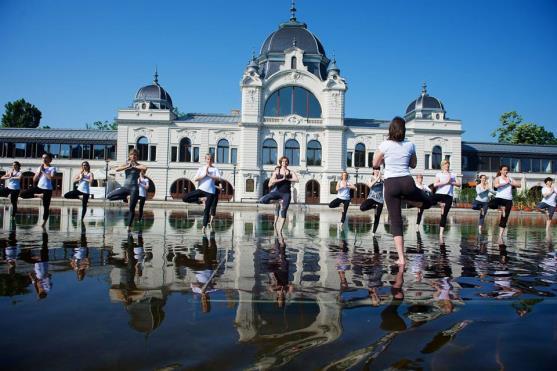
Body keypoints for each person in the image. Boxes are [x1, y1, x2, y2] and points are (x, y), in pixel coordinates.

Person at [373, 117, 432, 265]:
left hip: (391, 183)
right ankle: (423, 201)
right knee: (425, 200)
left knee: (396, 221)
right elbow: (413, 164)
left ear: (391, 129)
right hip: (407, 182)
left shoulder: (384, 145)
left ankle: (401, 258)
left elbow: (375, 163)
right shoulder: (410, 145)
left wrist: (384, 160)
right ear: (404, 130)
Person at [106, 148, 147, 231]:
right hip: (125, 187)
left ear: (137, 156)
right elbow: (117, 169)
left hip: (134, 188)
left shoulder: (138, 165)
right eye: (132, 154)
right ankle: (124, 197)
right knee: (109, 196)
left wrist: (134, 166)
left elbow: (145, 167)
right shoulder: (126, 164)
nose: (134, 156)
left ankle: (129, 226)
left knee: (131, 209)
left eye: (135, 155)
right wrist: (128, 166)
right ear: (129, 156)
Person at [259, 156, 299, 234]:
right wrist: (281, 179)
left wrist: (287, 179)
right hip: (277, 192)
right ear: (281, 163)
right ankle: (276, 201)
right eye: (283, 161)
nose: (285, 163)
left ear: (288, 163)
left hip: (286, 194)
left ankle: (279, 231)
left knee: (283, 210)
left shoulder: (291, 172)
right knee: (262, 200)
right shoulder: (276, 172)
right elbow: (271, 182)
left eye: (286, 161)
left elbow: (297, 180)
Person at [182, 153, 221, 233]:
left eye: (210, 159)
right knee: (185, 198)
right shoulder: (201, 168)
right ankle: (200, 200)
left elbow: (219, 178)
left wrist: (209, 175)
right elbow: (195, 179)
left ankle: (204, 227)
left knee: (207, 210)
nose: (209, 161)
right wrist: (204, 175)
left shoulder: (215, 169)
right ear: (205, 160)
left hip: (210, 192)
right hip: (201, 189)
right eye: (207, 159)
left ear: (212, 160)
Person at [20, 153, 57, 227]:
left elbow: (51, 178)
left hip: (47, 189)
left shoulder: (52, 168)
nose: (44, 159)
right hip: (39, 187)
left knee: (46, 206)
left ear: (50, 160)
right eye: (43, 158)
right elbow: (34, 179)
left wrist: (43, 171)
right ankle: (38, 195)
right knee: (22, 194)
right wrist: (39, 172)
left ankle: (44, 222)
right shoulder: (39, 168)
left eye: (46, 158)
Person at [491, 165, 521, 242]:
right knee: (491, 204)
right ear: (500, 171)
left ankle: (500, 236)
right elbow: (496, 185)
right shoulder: (498, 178)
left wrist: (510, 183)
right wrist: (505, 183)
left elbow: (519, 185)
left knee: (505, 218)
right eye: (504, 170)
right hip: (499, 197)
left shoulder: (510, 179)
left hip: (508, 199)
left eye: (507, 170)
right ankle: (501, 207)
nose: (506, 171)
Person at [433, 160, 460, 242]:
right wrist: (445, 182)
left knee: (444, 215)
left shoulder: (453, 174)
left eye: (448, 164)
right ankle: (440, 203)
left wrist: (451, 182)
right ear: (442, 166)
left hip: (449, 196)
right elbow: (435, 184)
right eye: (445, 164)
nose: (447, 165)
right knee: (430, 199)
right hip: (440, 193)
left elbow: (459, 184)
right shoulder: (439, 174)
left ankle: (441, 233)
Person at [359, 167, 384, 235]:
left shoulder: (382, 178)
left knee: (377, 217)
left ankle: (373, 232)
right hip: (371, 198)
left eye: (378, 169)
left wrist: (381, 178)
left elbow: (388, 184)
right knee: (362, 207)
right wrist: (377, 178)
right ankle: (373, 206)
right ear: (373, 170)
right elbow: (370, 185)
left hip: (380, 200)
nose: (377, 171)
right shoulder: (370, 178)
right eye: (375, 169)